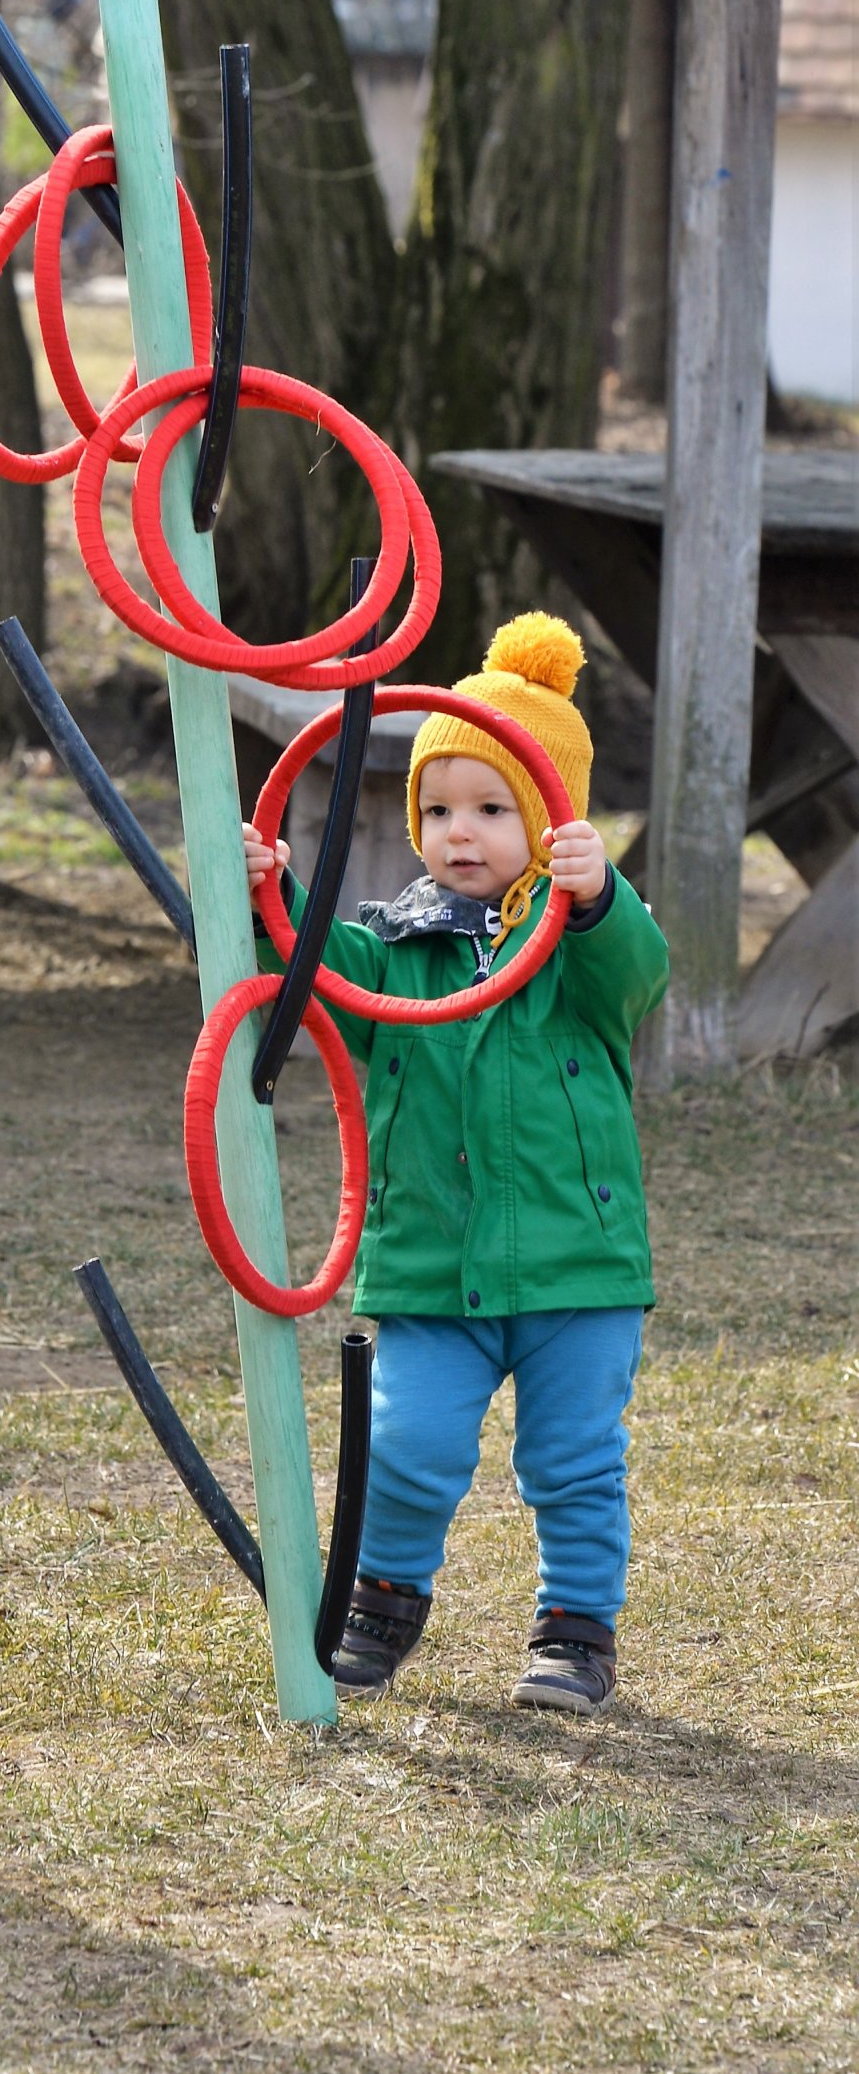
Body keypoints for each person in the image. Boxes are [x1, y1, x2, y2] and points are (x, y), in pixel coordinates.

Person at [241, 615, 669, 1717]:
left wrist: (598, 893)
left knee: (573, 1458)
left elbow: (642, 970)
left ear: (550, 819)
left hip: (579, 1265)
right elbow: (318, 968)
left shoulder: (579, 947)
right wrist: (273, 894)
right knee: (408, 1440)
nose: (457, 831)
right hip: (432, 1259)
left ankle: (576, 1630)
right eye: (436, 809)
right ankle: (383, 1599)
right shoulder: (400, 944)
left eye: (491, 808)